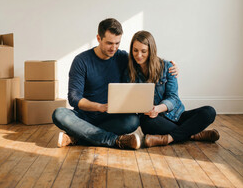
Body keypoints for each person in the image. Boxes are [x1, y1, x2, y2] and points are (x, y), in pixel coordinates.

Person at [52, 18, 178, 149]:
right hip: (85, 117)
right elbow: (74, 99)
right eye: (109, 43)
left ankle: (76, 137)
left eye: (117, 43)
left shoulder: (123, 58)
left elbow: (145, 58)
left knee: (133, 120)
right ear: (98, 38)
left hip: (112, 118)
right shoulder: (81, 61)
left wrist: (170, 66)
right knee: (59, 113)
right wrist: (99, 107)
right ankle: (115, 140)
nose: (114, 48)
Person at [126, 30, 219, 148]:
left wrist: (157, 109)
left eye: (143, 51)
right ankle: (194, 134)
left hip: (176, 115)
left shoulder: (167, 67)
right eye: (135, 50)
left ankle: (167, 138)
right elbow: (130, 99)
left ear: (151, 50)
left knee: (209, 112)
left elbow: (173, 98)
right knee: (145, 123)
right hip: (155, 120)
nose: (139, 55)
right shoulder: (129, 71)